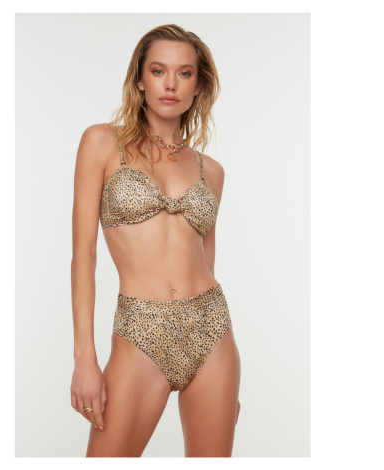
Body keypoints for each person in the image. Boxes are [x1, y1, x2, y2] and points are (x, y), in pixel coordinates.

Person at [70, 24, 241, 457]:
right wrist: (85, 359)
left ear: (198, 86)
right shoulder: (102, 143)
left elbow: (205, 260)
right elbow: (83, 254)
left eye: (184, 73)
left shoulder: (211, 171)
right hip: (140, 330)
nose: (171, 84)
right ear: (140, 80)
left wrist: (227, 391)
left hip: (212, 329)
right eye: (158, 70)